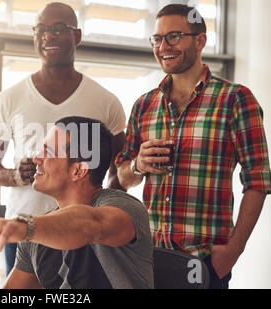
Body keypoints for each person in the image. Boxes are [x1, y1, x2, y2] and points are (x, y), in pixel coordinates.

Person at [116, 4, 271, 289]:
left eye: (174, 36)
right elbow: (121, 180)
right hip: (148, 259)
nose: (164, 46)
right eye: (158, 38)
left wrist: (234, 250)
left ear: (200, 41)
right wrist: (137, 164)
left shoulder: (236, 99)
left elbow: (258, 181)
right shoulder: (144, 105)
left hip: (204, 263)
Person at [0, 2, 126, 276]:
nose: (48, 36)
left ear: (77, 36)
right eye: (41, 29)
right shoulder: (9, 100)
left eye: (59, 29)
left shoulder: (105, 102)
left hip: (83, 234)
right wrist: (14, 176)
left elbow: (119, 170)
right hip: (24, 231)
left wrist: (105, 213)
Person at [0, 116, 153, 289]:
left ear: (79, 170)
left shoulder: (125, 209)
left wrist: (24, 228)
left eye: (48, 152)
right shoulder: (36, 232)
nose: (36, 158)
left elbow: (90, 224)